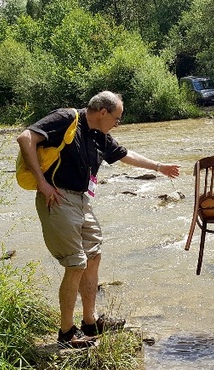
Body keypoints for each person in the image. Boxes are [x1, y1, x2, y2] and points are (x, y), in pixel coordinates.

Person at [16, 91, 181, 347]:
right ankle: (66, 333)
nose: (118, 123)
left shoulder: (99, 135)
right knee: (76, 264)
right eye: (118, 118)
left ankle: (89, 322)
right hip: (57, 198)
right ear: (103, 112)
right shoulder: (66, 118)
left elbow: (124, 154)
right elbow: (26, 137)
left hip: (82, 201)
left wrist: (159, 167)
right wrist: (42, 183)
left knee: (94, 255)